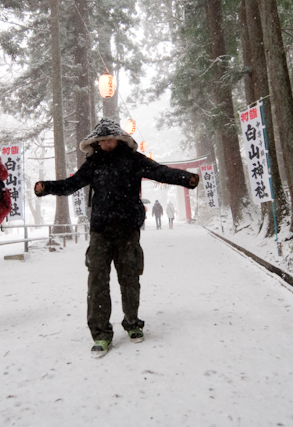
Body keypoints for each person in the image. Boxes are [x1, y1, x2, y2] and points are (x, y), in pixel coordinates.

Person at [34, 119, 199, 357]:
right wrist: (46, 187)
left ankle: (132, 323)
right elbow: (71, 184)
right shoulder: (93, 163)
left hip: (128, 229)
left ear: (120, 139)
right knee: (97, 281)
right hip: (100, 231)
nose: (105, 144)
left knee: (130, 278)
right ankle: (100, 334)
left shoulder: (133, 160)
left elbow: (160, 171)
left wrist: (186, 179)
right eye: (101, 141)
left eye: (109, 139)